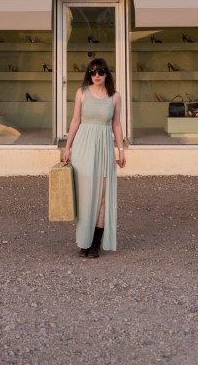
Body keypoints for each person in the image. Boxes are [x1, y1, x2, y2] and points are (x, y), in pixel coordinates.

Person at [61, 57, 126, 258]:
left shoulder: (115, 96)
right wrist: (67, 147)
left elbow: (116, 124)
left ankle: (96, 243)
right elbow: (75, 121)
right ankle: (84, 242)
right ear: (88, 74)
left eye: (100, 71)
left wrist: (121, 151)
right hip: (83, 146)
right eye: (92, 72)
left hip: (105, 147)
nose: (96, 75)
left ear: (107, 73)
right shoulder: (81, 93)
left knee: (103, 197)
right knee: (86, 195)